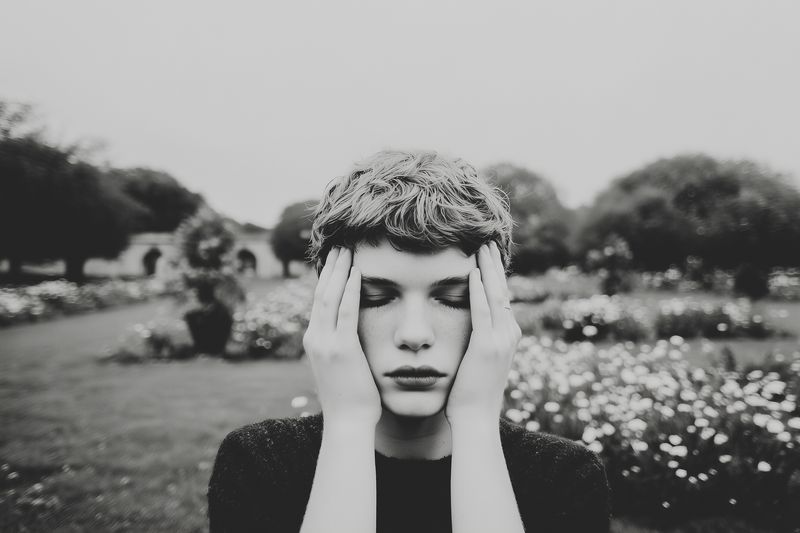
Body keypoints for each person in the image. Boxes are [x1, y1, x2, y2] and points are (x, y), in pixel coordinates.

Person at [207, 150, 611, 533]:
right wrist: (348, 425)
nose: (415, 334)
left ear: (493, 304)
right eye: (376, 298)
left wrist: (476, 422)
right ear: (330, 303)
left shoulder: (563, 477)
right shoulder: (262, 463)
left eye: (452, 299)